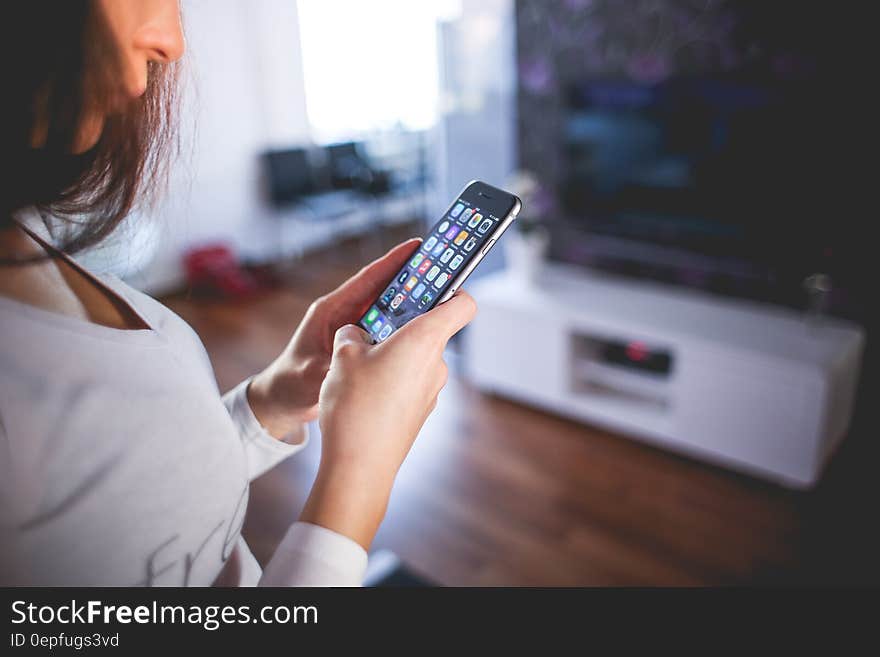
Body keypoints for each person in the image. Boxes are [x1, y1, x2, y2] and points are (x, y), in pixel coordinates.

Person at [0, 0, 476, 586]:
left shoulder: (26, 231)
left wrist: (272, 400)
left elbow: (134, 495)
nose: (172, 39)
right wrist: (362, 467)